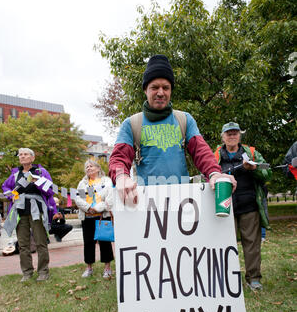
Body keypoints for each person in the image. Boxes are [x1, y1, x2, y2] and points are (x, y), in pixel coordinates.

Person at [109, 54, 236, 206]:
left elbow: (201, 151)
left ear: (171, 90)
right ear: (145, 90)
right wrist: (122, 177)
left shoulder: (184, 119)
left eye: (166, 87)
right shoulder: (131, 124)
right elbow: (118, 158)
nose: (161, 92)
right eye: (155, 87)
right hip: (147, 204)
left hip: (182, 202)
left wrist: (215, 173)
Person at [214, 122, 272, 290]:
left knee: (252, 244)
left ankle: (253, 278)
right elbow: (207, 174)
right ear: (223, 137)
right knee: (224, 244)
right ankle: (227, 279)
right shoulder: (215, 155)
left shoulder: (251, 152)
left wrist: (253, 168)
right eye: (228, 133)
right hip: (224, 206)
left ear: (240, 136)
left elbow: (267, 172)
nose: (232, 136)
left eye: (235, 133)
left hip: (249, 205)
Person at [2, 148, 58, 281]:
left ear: (32, 158)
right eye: (20, 155)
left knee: (40, 242)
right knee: (23, 244)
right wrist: (12, 196)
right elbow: (5, 187)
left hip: (37, 210)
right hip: (20, 212)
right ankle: (27, 273)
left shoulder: (41, 172)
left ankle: (43, 272)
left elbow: (50, 191)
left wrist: (37, 182)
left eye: (25, 154)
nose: (22, 157)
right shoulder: (15, 175)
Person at [75, 159, 114, 279]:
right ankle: (89, 268)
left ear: (98, 168)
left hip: (102, 216)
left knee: (105, 242)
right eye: (86, 167)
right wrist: (88, 208)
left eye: (91, 166)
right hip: (87, 216)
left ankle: (107, 268)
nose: (88, 168)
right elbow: (78, 199)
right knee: (88, 243)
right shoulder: (83, 183)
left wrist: (97, 209)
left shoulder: (106, 181)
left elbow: (109, 198)